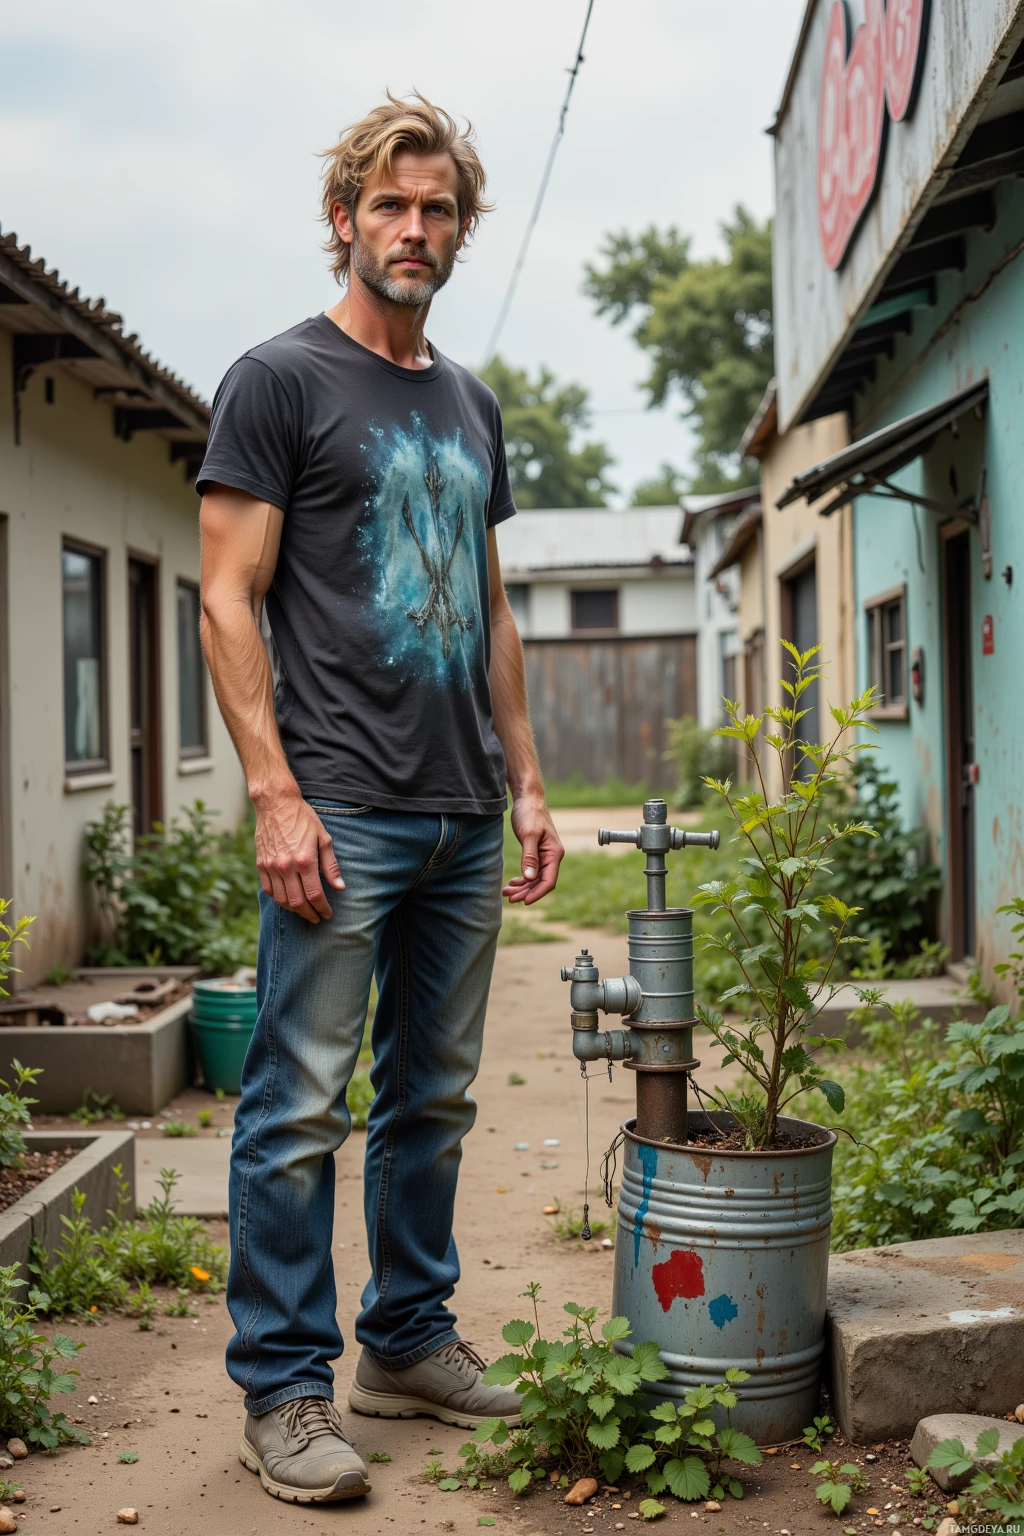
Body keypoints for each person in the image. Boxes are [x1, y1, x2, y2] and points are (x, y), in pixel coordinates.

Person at [197, 92, 563, 1505]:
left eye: (439, 208)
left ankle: (405, 1342)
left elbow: (491, 607)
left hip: (463, 810)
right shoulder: (277, 381)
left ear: (463, 231)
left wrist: (527, 781)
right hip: (340, 805)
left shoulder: (470, 403)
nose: (415, 228)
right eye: (391, 205)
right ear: (344, 217)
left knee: (434, 1100)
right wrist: (274, 794)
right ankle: (283, 1389)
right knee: (298, 1104)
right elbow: (226, 596)